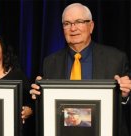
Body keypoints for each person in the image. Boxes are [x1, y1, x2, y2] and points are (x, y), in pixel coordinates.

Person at [29, 3, 130, 136]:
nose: (73, 28)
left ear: (91, 26)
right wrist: (39, 98)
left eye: (79, 22)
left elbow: (125, 108)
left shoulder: (116, 59)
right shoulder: (50, 62)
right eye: (67, 23)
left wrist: (125, 96)